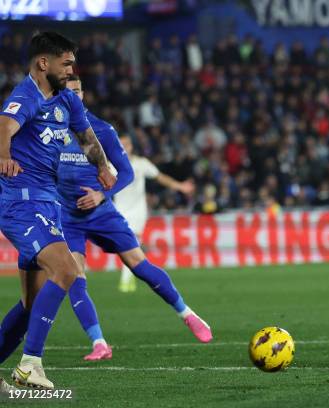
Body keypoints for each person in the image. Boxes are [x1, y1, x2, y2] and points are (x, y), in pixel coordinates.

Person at [56, 75, 211, 360]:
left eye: (77, 91)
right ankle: (99, 343)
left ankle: (187, 314)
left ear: (83, 94)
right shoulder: (50, 132)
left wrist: (102, 195)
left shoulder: (100, 131)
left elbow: (126, 172)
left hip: (101, 214)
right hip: (66, 217)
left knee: (138, 264)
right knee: (74, 278)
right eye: (67, 92)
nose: (73, 96)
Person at [0, 32, 116, 389]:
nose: (71, 70)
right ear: (43, 63)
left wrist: (102, 166)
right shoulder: (27, 95)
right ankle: (30, 365)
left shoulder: (67, 100)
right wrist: (4, 156)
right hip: (21, 202)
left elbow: (86, 138)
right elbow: (4, 126)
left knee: (31, 304)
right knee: (67, 270)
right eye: (65, 63)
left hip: (47, 204)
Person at [114, 135, 194, 292]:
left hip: (138, 211)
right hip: (119, 210)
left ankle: (125, 282)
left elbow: (159, 177)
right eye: (121, 144)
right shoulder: (111, 164)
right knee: (128, 246)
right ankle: (133, 276)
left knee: (132, 244)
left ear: (131, 146)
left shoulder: (141, 163)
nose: (124, 147)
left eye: (127, 144)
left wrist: (179, 186)